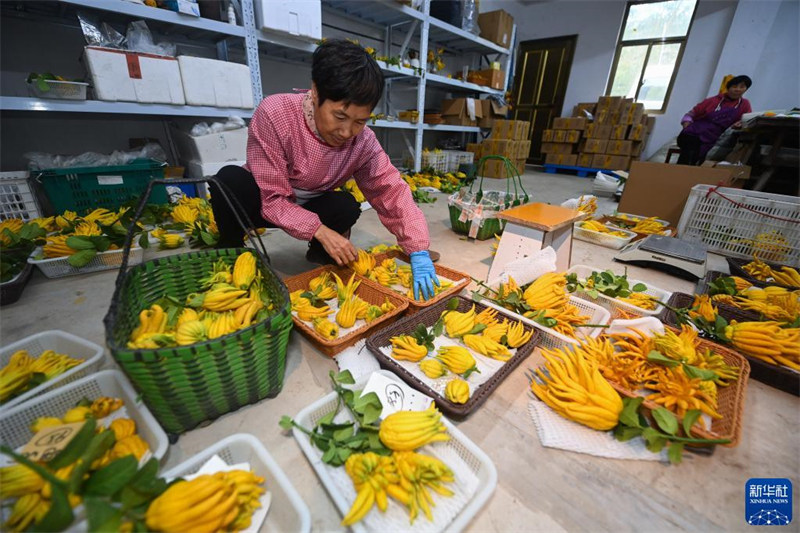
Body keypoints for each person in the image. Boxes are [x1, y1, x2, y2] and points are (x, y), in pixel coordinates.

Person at [209, 39, 440, 300]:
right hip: (262, 201)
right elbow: (272, 200)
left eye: (360, 121)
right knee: (228, 181)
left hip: (310, 204)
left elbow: (390, 190)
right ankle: (230, 246)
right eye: (340, 117)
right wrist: (321, 230)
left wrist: (417, 248)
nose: (346, 132)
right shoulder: (275, 113)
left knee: (346, 205)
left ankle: (320, 251)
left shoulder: (362, 141)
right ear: (316, 92)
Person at [676, 75, 752, 165]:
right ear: (728, 88)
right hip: (693, 133)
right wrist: (686, 126)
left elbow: (747, 120)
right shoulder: (712, 101)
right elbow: (689, 115)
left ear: (746, 89)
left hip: (715, 138)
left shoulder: (745, 104)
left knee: (704, 157)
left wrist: (740, 124)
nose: (738, 89)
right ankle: (679, 174)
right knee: (690, 152)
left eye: (742, 87)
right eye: (734, 86)